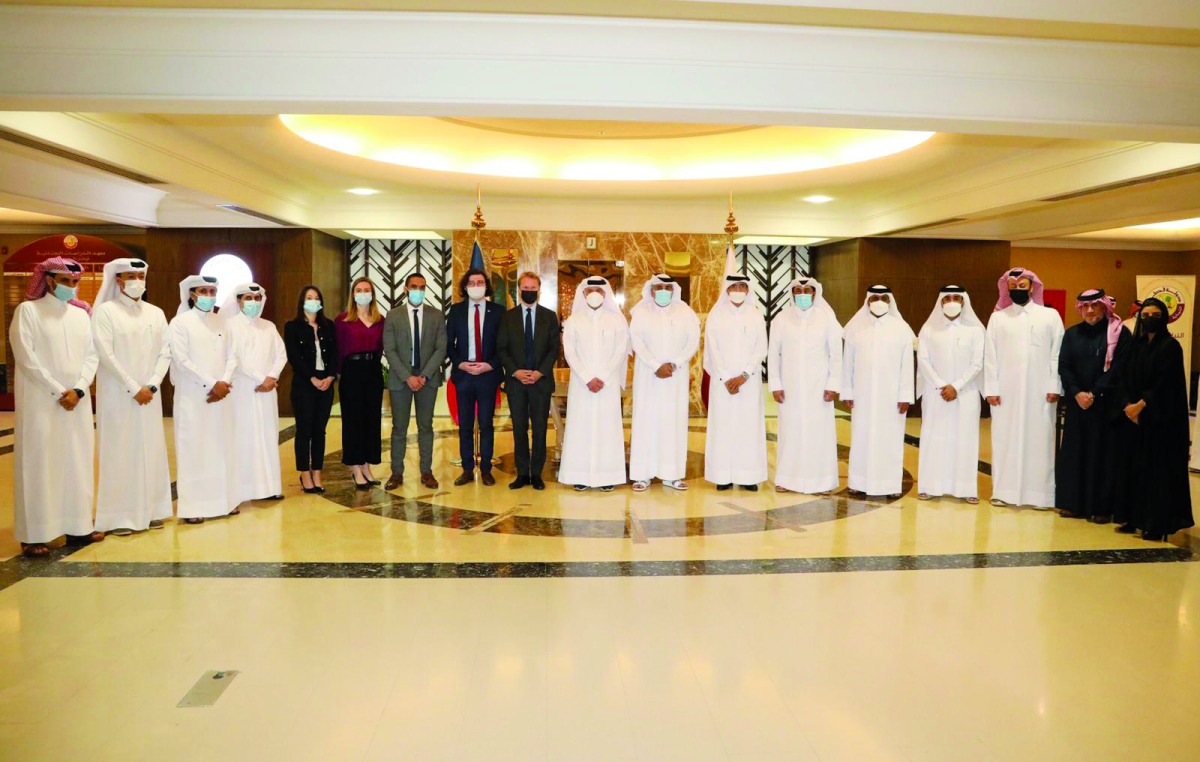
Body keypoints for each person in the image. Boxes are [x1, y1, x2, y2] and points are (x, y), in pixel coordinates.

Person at [10, 257, 101, 557]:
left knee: (77, 462)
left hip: (76, 401)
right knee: (40, 465)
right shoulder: (28, 312)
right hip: (42, 402)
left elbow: (91, 356)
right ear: (48, 280)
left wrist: (78, 389)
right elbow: (26, 357)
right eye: (66, 282)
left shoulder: (80, 316)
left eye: (75, 283)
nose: (72, 288)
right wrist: (58, 390)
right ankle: (35, 533)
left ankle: (78, 526)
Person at [92, 258, 172, 536]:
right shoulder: (105, 312)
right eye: (131, 275)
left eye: (141, 275)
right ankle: (118, 517)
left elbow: (165, 352)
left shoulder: (155, 312)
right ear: (117, 279)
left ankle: (151, 510)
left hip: (149, 394)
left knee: (149, 450)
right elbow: (105, 354)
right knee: (120, 451)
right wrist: (132, 386)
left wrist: (151, 384)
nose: (137, 280)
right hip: (119, 396)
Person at [1111, 298, 1195, 541]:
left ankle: (1155, 522)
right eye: (1145, 314)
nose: (1149, 319)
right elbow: (1122, 377)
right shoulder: (1134, 346)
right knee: (1132, 469)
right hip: (1132, 419)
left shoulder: (1170, 347)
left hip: (1159, 422)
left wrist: (1141, 405)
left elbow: (1166, 384)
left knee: (1155, 473)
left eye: (1155, 314)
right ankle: (1132, 517)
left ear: (1165, 317)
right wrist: (1127, 405)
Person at [983, 267, 1064, 509]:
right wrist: (992, 389)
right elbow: (991, 356)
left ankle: (1040, 496)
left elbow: (1056, 354)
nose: (1018, 290)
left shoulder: (1050, 316)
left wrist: (1054, 385)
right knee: (1004, 439)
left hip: (1041, 394)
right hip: (1006, 393)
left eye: (1023, 286)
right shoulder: (998, 318)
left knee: (1040, 441)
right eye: (1013, 287)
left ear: (1032, 287)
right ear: (1007, 288)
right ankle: (1003, 492)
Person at [169, 274, 240, 524]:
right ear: (191, 294)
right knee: (194, 449)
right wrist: (213, 384)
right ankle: (193, 507)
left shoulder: (222, 322)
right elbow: (181, 360)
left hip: (221, 395)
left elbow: (233, 355)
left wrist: (225, 381)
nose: (209, 296)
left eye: (212, 291)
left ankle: (225, 502)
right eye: (203, 291)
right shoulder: (180, 323)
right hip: (194, 396)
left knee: (222, 446)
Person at [1055, 289, 1131, 522]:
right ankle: (1073, 504)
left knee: (1103, 456)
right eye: (1085, 306)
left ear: (1104, 307)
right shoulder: (1072, 334)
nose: (1089, 311)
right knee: (1075, 452)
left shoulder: (1119, 334)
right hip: (1078, 405)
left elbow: (1120, 368)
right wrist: (1077, 393)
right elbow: (1064, 366)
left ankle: (1101, 507)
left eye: (1095, 306)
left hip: (1105, 406)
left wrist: (1094, 393)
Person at [768, 276, 842, 495]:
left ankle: (823, 481)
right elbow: (773, 354)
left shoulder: (827, 318)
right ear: (792, 294)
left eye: (807, 291)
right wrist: (775, 384)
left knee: (819, 433)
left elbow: (836, 354)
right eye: (798, 292)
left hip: (819, 388)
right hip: (789, 388)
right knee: (790, 432)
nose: (802, 295)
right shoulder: (782, 319)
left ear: (814, 293)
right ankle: (786, 479)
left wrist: (833, 384)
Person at [843, 285, 916, 499]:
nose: (879, 301)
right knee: (861, 437)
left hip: (891, 397)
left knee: (890, 439)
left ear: (890, 300)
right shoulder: (856, 327)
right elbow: (848, 362)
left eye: (884, 297)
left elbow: (906, 365)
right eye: (875, 297)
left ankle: (890, 484)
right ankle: (858, 481)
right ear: (867, 300)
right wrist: (848, 391)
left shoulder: (901, 328)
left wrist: (905, 396)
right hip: (862, 395)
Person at [629, 274, 700, 492]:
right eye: (658, 287)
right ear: (650, 291)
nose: (662, 291)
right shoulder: (640, 312)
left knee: (673, 422)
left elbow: (693, 341)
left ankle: (673, 475)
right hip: (648, 375)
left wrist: (675, 363)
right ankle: (642, 475)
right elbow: (637, 342)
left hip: (675, 377)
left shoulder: (686, 312)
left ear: (673, 290)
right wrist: (654, 365)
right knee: (645, 421)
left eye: (666, 287)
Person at [559, 277, 630, 492]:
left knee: (607, 429)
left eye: (599, 289)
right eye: (590, 289)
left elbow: (620, 350)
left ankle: (607, 476)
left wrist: (605, 376)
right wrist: (587, 376)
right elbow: (569, 351)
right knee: (580, 427)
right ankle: (579, 475)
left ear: (606, 292)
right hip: (582, 384)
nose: (594, 293)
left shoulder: (617, 320)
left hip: (608, 384)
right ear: (583, 293)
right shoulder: (574, 320)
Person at [915, 285, 985, 503]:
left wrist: (957, 385)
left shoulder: (975, 331)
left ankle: (965, 489)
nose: (952, 301)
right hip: (936, 393)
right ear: (941, 302)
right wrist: (940, 385)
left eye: (957, 297)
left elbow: (978, 363)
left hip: (966, 393)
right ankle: (929, 486)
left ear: (964, 302)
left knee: (965, 439)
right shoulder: (929, 329)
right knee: (933, 438)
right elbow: (923, 361)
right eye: (947, 298)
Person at [703, 273, 768, 491]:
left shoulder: (756, 314)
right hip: (722, 383)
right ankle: (722, 476)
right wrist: (725, 376)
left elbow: (761, 347)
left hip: (748, 382)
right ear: (727, 289)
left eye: (742, 286)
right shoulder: (716, 315)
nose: (738, 289)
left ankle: (748, 476)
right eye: (734, 286)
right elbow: (712, 349)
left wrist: (744, 375)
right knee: (722, 426)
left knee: (748, 426)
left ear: (748, 290)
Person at [383, 272, 447, 490]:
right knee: (399, 428)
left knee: (426, 426)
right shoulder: (393, 315)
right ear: (405, 289)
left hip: (427, 380)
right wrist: (407, 376)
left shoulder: (436, 315)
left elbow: (441, 348)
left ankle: (427, 472)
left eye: (422, 287)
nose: (418, 290)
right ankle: (396, 473)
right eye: (414, 286)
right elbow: (389, 349)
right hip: (401, 379)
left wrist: (424, 375)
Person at [223, 283, 287, 503]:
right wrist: (262, 379)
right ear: (238, 301)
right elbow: (235, 359)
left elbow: (281, 354)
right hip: (243, 391)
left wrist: (272, 377)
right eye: (248, 298)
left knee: (268, 436)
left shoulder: (268, 326)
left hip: (268, 391)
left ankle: (269, 487)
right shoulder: (229, 325)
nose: (253, 302)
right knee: (245, 436)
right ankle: (244, 490)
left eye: (257, 297)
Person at [497, 272, 560, 490]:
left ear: (539, 291)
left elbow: (554, 349)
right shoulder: (508, 317)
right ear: (519, 289)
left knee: (540, 429)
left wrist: (540, 372)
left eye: (534, 288)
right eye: (526, 287)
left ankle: (537, 473)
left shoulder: (549, 317)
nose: (529, 291)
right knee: (519, 428)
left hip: (540, 383)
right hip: (516, 383)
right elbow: (502, 348)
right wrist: (516, 372)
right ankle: (522, 473)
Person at [446, 268, 504, 486]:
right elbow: (448, 344)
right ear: (465, 287)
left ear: (486, 285)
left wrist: (489, 365)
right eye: (472, 282)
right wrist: (461, 364)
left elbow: (504, 346)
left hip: (488, 376)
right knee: (465, 426)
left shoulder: (498, 312)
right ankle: (467, 470)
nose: (476, 285)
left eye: (480, 282)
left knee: (487, 425)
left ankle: (487, 469)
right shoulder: (456, 311)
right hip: (464, 375)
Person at [284, 285, 337, 494]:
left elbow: (334, 354)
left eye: (316, 297)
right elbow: (294, 357)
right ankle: (304, 473)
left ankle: (317, 471)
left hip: (326, 383)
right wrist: (312, 378)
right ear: (302, 301)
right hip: (304, 384)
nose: (313, 300)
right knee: (304, 430)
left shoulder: (328, 326)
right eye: (309, 297)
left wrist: (331, 376)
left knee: (320, 431)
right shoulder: (292, 326)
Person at [335, 277, 385, 490]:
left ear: (372, 294)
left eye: (367, 290)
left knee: (371, 420)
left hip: (373, 371)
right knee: (353, 420)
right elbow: (337, 349)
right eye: (359, 290)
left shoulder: (380, 319)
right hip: (351, 373)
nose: (363, 293)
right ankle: (355, 467)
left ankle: (366, 465)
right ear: (352, 294)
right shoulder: (343, 320)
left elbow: (381, 347)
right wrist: (337, 374)